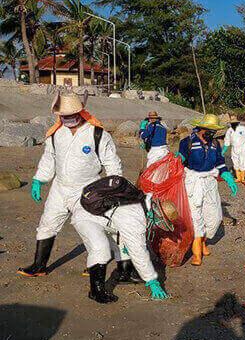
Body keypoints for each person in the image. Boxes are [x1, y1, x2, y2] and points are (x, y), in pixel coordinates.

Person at [18, 92, 121, 277]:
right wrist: (38, 180)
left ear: (80, 112)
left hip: (87, 189)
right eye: (62, 116)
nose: (65, 119)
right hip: (59, 188)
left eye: (68, 115)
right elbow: (49, 158)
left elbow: (112, 163)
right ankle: (39, 266)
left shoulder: (97, 134)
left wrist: (113, 188)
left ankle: (95, 264)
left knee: (90, 227)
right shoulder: (56, 134)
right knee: (47, 224)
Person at [75, 177, 170, 303]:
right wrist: (152, 280)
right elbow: (138, 252)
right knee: (101, 249)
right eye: (160, 220)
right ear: (157, 213)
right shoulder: (135, 218)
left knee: (124, 243)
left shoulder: (140, 199)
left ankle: (124, 274)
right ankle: (96, 292)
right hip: (86, 218)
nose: (158, 223)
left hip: (103, 218)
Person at [177, 114, 238, 266]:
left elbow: (220, 162)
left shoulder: (215, 144)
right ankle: (197, 253)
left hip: (210, 182)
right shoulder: (187, 142)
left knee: (214, 217)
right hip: (193, 182)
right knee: (196, 217)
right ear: (201, 127)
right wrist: (176, 161)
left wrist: (227, 176)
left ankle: (203, 240)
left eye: (214, 130)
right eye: (209, 129)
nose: (212, 133)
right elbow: (180, 160)